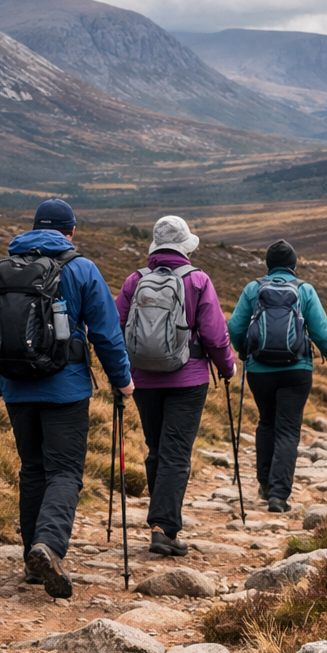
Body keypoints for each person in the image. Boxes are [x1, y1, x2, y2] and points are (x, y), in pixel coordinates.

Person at [0, 198, 133, 600]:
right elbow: (107, 334)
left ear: (34, 228)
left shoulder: (0, 269)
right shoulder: (81, 268)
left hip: (16, 388)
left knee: (33, 469)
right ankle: (50, 547)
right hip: (67, 388)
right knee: (64, 472)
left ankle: (31, 555)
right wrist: (122, 381)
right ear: (70, 232)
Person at [115, 216, 235, 556]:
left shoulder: (135, 280)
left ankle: (160, 520)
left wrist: (119, 371)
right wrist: (227, 368)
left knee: (156, 447)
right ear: (185, 247)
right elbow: (214, 333)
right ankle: (164, 528)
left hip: (142, 379)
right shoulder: (198, 280)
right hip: (189, 379)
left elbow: (114, 324)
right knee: (176, 452)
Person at [227, 239, 327, 513]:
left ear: (268, 264)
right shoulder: (304, 290)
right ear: (293, 265)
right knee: (288, 429)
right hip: (296, 370)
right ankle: (278, 495)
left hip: (259, 369)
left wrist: (244, 350)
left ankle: (264, 485)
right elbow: (321, 331)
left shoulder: (254, 288)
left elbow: (235, 327)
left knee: (266, 422)